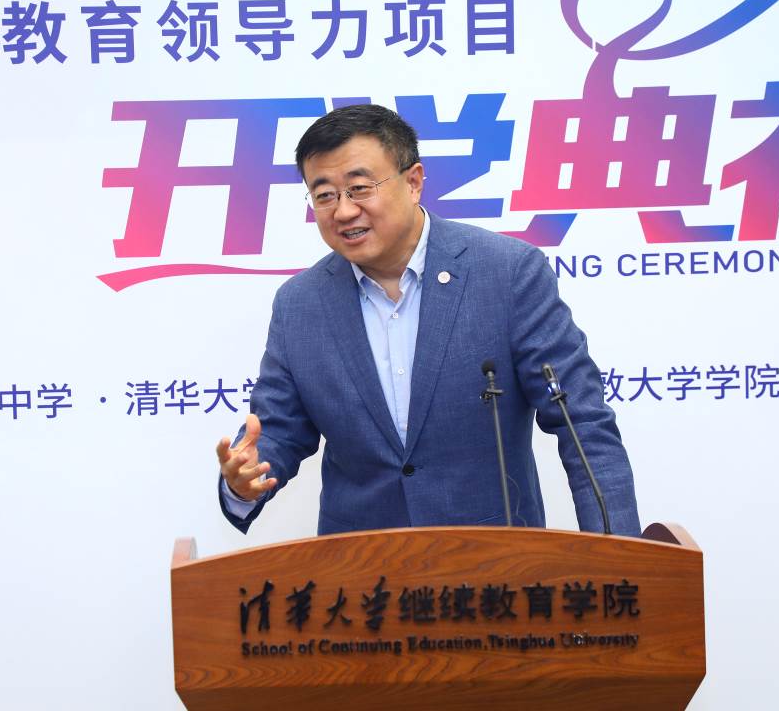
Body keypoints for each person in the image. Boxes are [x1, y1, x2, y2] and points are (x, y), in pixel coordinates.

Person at [216, 104, 641, 537]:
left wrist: (620, 551)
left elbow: (581, 421)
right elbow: (278, 431)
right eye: (324, 195)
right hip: (361, 564)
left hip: (497, 560)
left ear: (413, 182)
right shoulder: (300, 304)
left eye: (359, 188)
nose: (343, 211)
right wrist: (244, 481)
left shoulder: (507, 273)